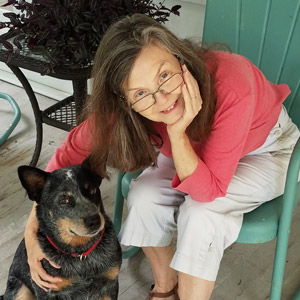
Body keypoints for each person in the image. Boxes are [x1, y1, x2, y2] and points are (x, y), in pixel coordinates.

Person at [23, 13, 299, 300]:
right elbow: (67, 155)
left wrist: (178, 133)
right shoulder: (119, 107)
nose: (164, 99)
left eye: (165, 75)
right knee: (143, 196)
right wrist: (32, 233)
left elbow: (207, 192)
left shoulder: (232, 84)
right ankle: (166, 287)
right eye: (141, 93)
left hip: (266, 149)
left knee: (202, 213)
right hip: (196, 150)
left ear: (179, 56)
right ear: (123, 99)